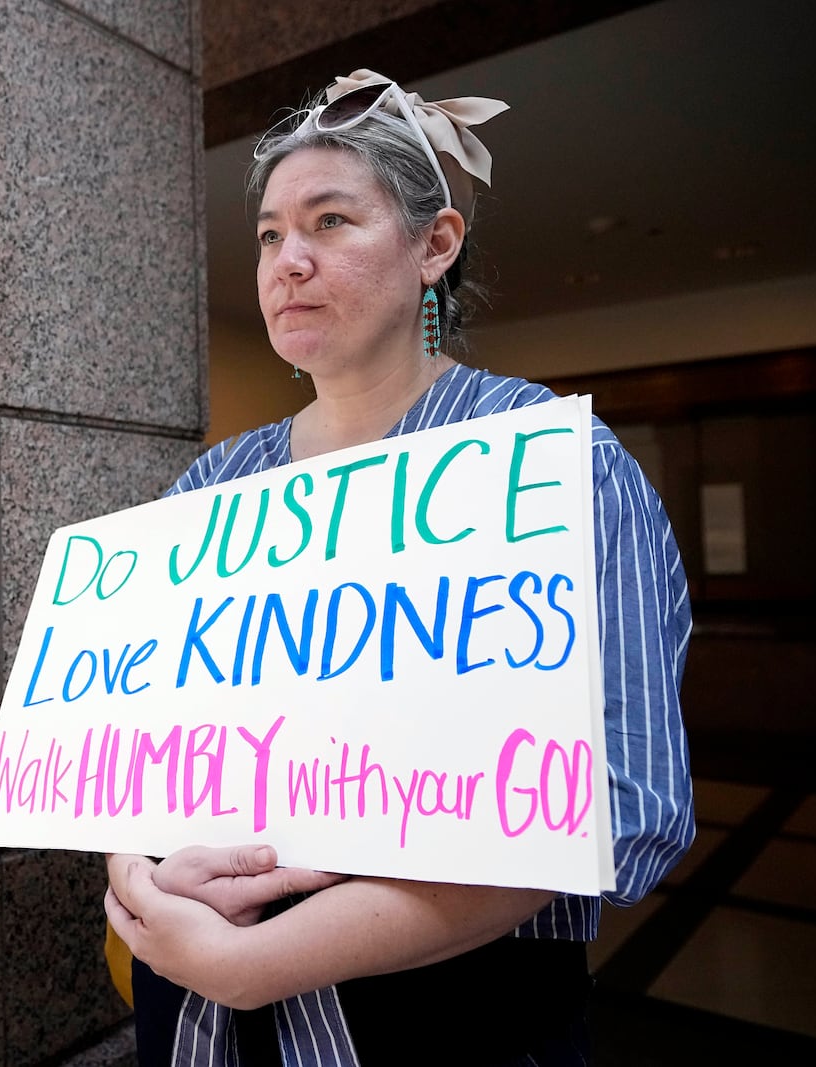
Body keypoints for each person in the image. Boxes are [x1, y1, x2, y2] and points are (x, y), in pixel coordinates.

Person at [103, 71, 694, 1065]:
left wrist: (267, 957)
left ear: (435, 244)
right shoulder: (211, 483)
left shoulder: (551, 465)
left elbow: (626, 800)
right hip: (196, 1005)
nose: (288, 260)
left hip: (458, 1020)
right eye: (268, 234)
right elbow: (117, 748)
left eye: (331, 221)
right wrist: (139, 876)